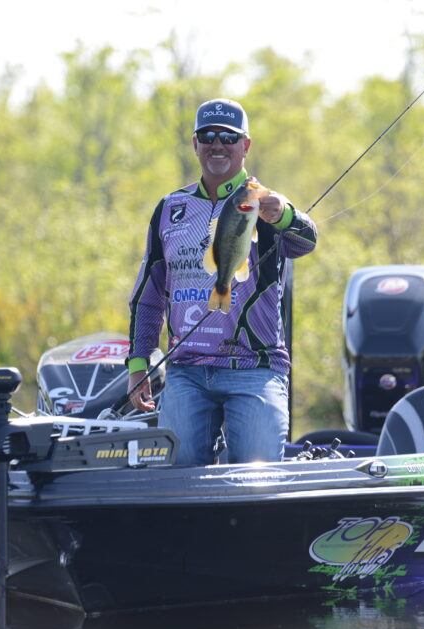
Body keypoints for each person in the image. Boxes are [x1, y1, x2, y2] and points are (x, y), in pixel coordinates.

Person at [126, 98, 318, 466]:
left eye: (228, 137)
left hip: (254, 368)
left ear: (245, 145)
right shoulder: (169, 207)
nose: (217, 144)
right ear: (195, 143)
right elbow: (148, 295)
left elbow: (306, 241)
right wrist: (138, 363)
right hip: (186, 371)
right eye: (208, 135)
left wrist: (284, 215)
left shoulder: (262, 202)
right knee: (179, 479)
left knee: (257, 476)